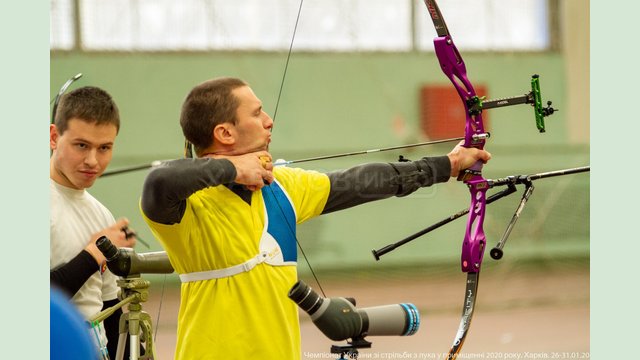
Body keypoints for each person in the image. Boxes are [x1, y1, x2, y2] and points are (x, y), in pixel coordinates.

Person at [140, 77, 491, 360]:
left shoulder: (282, 187)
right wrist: (232, 167)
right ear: (225, 133)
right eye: (257, 113)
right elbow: (159, 183)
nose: (268, 120)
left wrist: (445, 166)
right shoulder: (192, 207)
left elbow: (361, 181)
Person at [49, 86, 138, 358]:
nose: (93, 161)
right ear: (54, 137)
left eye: (104, 148)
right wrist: (93, 254)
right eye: (81, 145)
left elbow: (109, 309)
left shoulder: (101, 214)